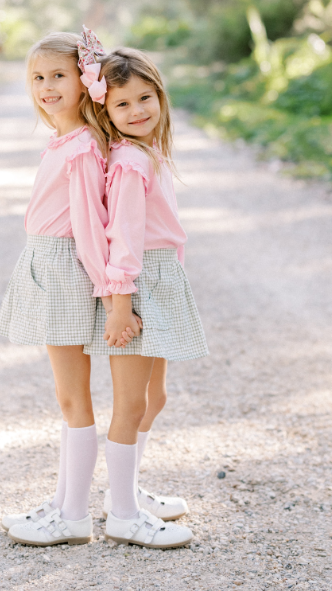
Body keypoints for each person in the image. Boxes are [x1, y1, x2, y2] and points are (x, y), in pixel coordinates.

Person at [0, 30, 139, 546]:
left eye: (58, 75)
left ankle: (73, 515)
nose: (46, 86)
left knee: (72, 397)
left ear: (85, 81)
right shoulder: (66, 140)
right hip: (48, 266)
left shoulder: (80, 148)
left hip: (62, 273)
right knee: (67, 396)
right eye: (37, 77)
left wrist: (112, 296)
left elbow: (90, 226)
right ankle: (63, 501)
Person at [83, 47, 209, 548]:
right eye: (122, 105)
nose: (137, 111)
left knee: (156, 396)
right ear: (106, 113)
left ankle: (126, 491)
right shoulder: (131, 161)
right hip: (135, 288)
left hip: (159, 282)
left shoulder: (150, 152)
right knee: (131, 403)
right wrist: (119, 302)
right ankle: (122, 512)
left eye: (145, 97)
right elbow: (124, 236)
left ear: (160, 95)